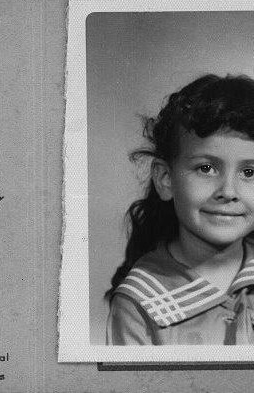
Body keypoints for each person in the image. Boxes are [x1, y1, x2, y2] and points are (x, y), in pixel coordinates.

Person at [106, 74, 254, 345]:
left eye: (249, 172)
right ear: (165, 179)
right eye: (206, 168)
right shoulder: (139, 303)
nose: (229, 192)